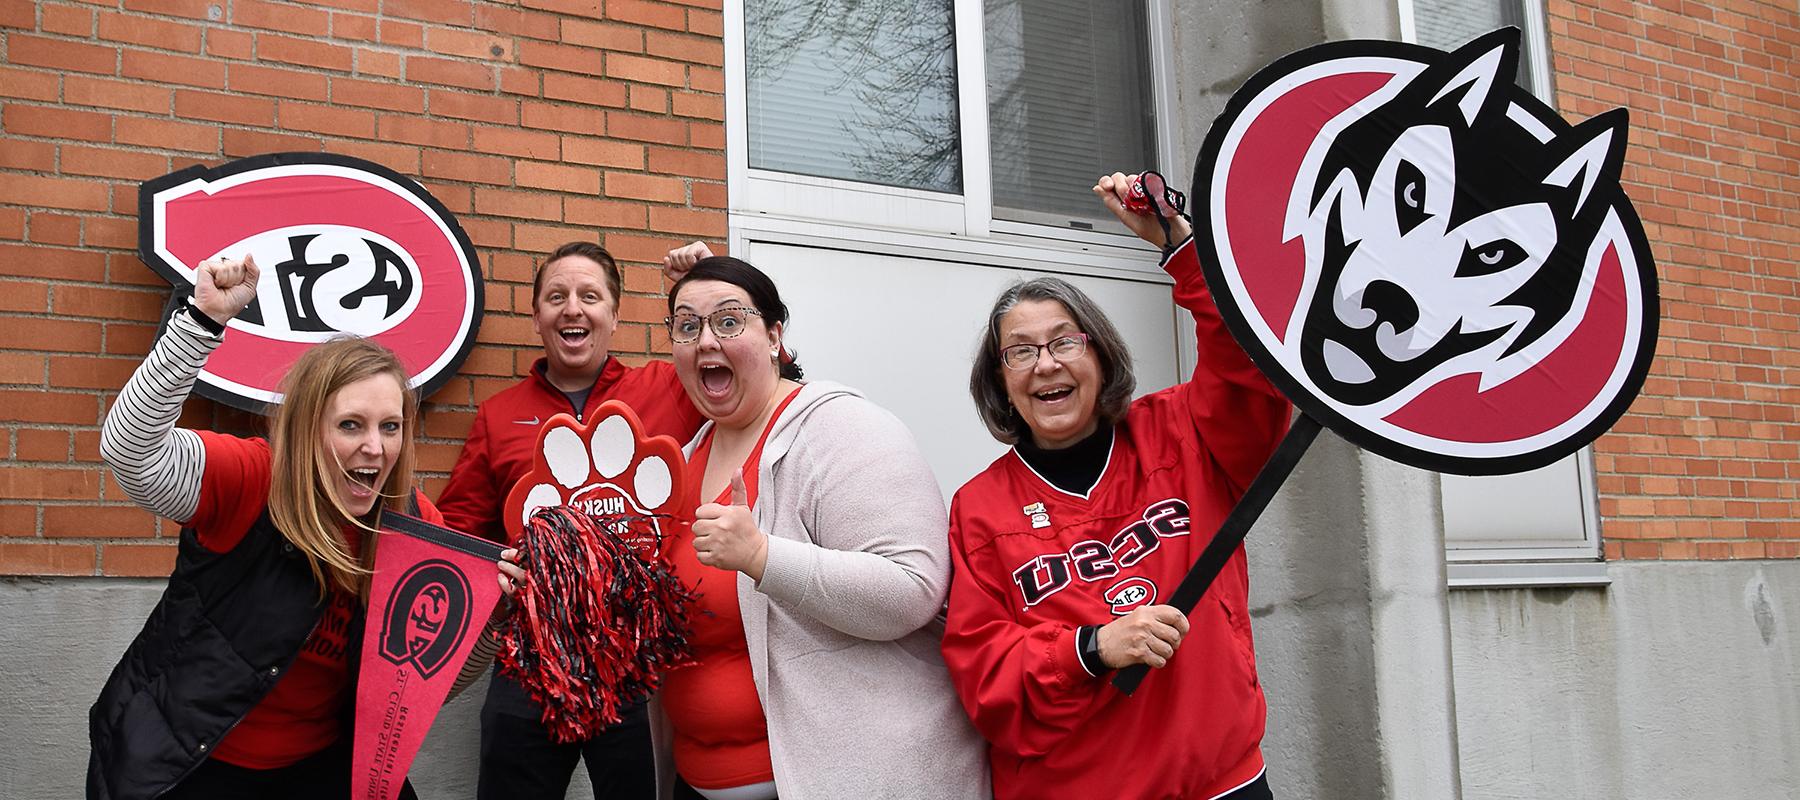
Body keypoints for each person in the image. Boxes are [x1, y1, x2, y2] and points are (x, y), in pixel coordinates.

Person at [88, 254, 524, 800]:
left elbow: (421, 684)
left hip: (322, 764)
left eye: (391, 426)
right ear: (307, 428)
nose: (375, 447)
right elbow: (129, 451)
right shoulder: (254, 480)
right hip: (190, 758)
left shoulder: (414, 526)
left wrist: (491, 619)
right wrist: (200, 322)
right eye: (350, 425)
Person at [939, 172, 1291, 800]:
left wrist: (1181, 247)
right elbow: (983, 676)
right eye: (1019, 351)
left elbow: (1252, 368)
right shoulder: (980, 508)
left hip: (1223, 783)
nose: (1045, 363)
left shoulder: (1183, 432)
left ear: (1100, 356)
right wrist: (1092, 647)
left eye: (1064, 342)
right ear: (1000, 382)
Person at [651, 245, 989, 799]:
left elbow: (912, 589)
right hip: (698, 782)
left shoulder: (842, 430)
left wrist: (762, 557)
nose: (706, 341)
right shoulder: (680, 462)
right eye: (687, 328)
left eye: (729, 321)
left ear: (776, 339)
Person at [437, 241, 705, 800]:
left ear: (615, 314)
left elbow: (747, 375)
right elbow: (459, 534)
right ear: (536, 317)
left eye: (590, 296)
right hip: (530, 657)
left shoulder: (668, 389)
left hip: (638, 657)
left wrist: (699, 290)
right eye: (556, 297)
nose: (573, 309)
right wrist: (492, 582)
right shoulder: (499, 414)